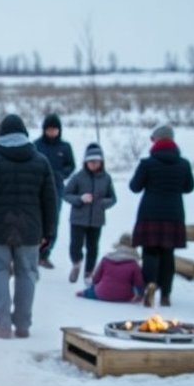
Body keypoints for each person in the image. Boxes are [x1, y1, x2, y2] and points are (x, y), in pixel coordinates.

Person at [0, 114, 56, 339]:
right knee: (27, 274)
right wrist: (49, 231)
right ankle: (23, 325)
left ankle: (2, 324)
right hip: (30, 229)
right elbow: (50, 201)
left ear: (0, 136)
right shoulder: (40, 161)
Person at [130, 124, 194, 307]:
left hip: (149, 214)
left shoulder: (147, 163)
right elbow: (189, 187)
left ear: (156, 141)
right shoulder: (184, 164)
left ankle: (149, 285)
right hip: (173, 214)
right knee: (168, 254)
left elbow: (135, 187)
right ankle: (166, 294)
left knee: (150, 252)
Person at [62, 143, 117, 284]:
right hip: (78, 218)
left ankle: (88, 273)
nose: (93, 164)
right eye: (90, 162)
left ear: (101, 162)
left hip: (96, 219)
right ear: (85, 162)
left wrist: (102, 203)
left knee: (93, 247)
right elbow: (66, 194)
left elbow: (113, 198)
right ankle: (76, 263)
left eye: (96, 162)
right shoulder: (78, 177)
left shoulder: (106, 178)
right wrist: (80, 199)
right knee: (75, 245)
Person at [34, 113, 75, 269]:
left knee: (53, 220)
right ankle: (35, 251)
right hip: (38, 187)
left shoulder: (65, 147)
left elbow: (71, 165)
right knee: (38, 218)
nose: (52, 132)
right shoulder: (37, 145)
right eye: (49, 129)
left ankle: (45, 254)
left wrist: (61, 174)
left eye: (54, 129)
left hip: (56, 188)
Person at [75, 234, 144, 302]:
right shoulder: (134, 264)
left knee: (92, 290)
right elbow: (138, 283)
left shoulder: (106, 259)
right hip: (124, 296)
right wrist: (140, 295)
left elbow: (96, 279)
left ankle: (84, 293)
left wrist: (93, 286)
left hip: (103, 292)